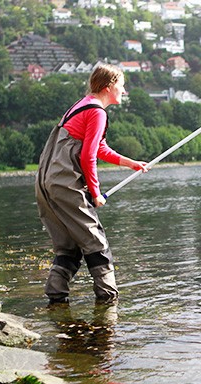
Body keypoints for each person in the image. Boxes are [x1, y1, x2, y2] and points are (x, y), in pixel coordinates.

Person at [35, 63, 148, 305]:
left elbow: (98, 148)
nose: (124, 90)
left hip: (46, 181)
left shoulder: (82, 105)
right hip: (65, 184)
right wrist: (96, 194)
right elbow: (87, 156)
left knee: (69, 247)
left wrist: (130, 163)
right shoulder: (98, 112)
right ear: (108, 87)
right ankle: (108, 301)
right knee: (96, 243)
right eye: (121, 85)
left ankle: (56, 298)